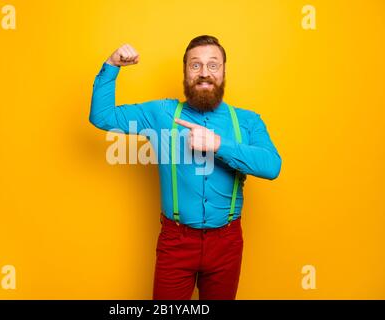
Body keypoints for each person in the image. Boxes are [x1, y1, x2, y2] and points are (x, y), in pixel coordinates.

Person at [89, 35, 282, 300]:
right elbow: (102, 116)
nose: (204, 73)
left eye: (213, 65)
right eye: (195, 65)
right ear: (185, 72)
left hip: (227, 243)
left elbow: (272, 166)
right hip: (175, 241)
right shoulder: (161, 113)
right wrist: (112, 65)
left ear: (224, 71)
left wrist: (218, 145)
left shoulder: (248, 121)